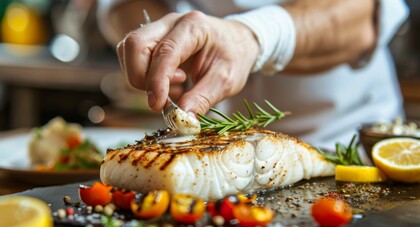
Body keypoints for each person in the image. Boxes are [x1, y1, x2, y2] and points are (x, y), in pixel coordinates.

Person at [97, 0, 409, 149]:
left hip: (346, 143)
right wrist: (163, 44)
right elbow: (121, 6)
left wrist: (251, 38)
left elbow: (366, 14)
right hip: (219, 148)